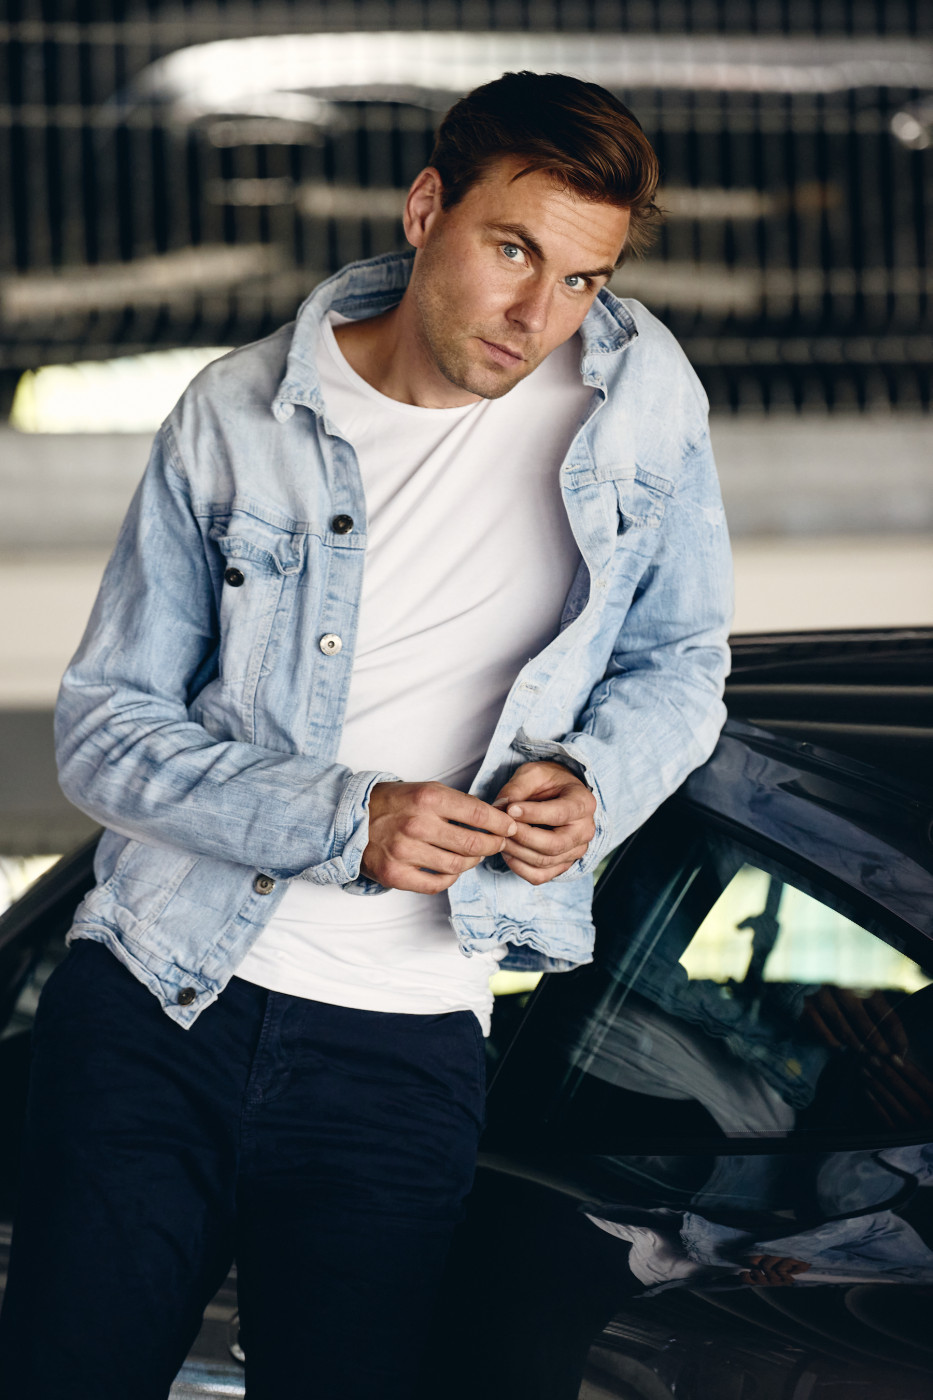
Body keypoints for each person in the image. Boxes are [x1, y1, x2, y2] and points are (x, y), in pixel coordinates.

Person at [0, 71, 732, 1399]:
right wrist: (348, 820)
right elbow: (106, 731)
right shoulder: (238, 413)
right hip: (162, 1002)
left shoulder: (642, 401)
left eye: (582, 278)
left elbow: (679, 662)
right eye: (513, 251)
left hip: (406, 1042)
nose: (538, 316)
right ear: (424, 208)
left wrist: (592, 781)